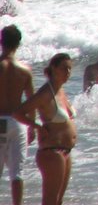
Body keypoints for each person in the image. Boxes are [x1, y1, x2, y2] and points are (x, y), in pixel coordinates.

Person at [14, 54, 76, 205]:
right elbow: (18, 113)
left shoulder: (61, 90)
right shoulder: (46, 93)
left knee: (58, 201)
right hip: (52, 151)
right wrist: (37, 127)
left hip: (65, 151)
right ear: (54, 68)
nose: (68, 72)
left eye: (70, 69)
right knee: (50, 201)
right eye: (64, 68)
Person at [0, 26, 34, 205]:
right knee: (17, 173)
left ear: (1, 41)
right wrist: (33, 126)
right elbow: (31, 101)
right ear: (19, 44)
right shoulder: (25, 70)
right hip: (18, 122)